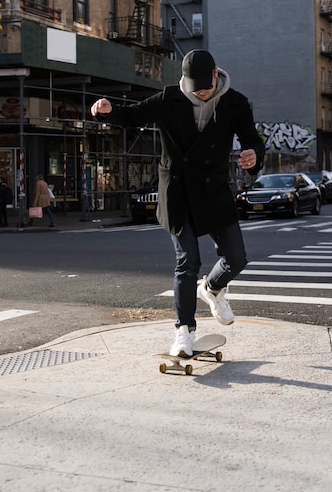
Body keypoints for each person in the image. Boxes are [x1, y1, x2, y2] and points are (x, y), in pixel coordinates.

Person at [91, 49, 265, 357]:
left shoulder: (235, 103)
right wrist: (108, 110)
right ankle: (184, 331)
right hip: (178, 191)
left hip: (213, 192)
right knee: (188, 262)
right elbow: (132, 116)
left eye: (204, 84)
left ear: (216, 75)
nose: (199, 90)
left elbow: (252, 139)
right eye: (192, 84)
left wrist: (253, 156)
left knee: (236, 258)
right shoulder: (169, 99)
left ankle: (211, 289)